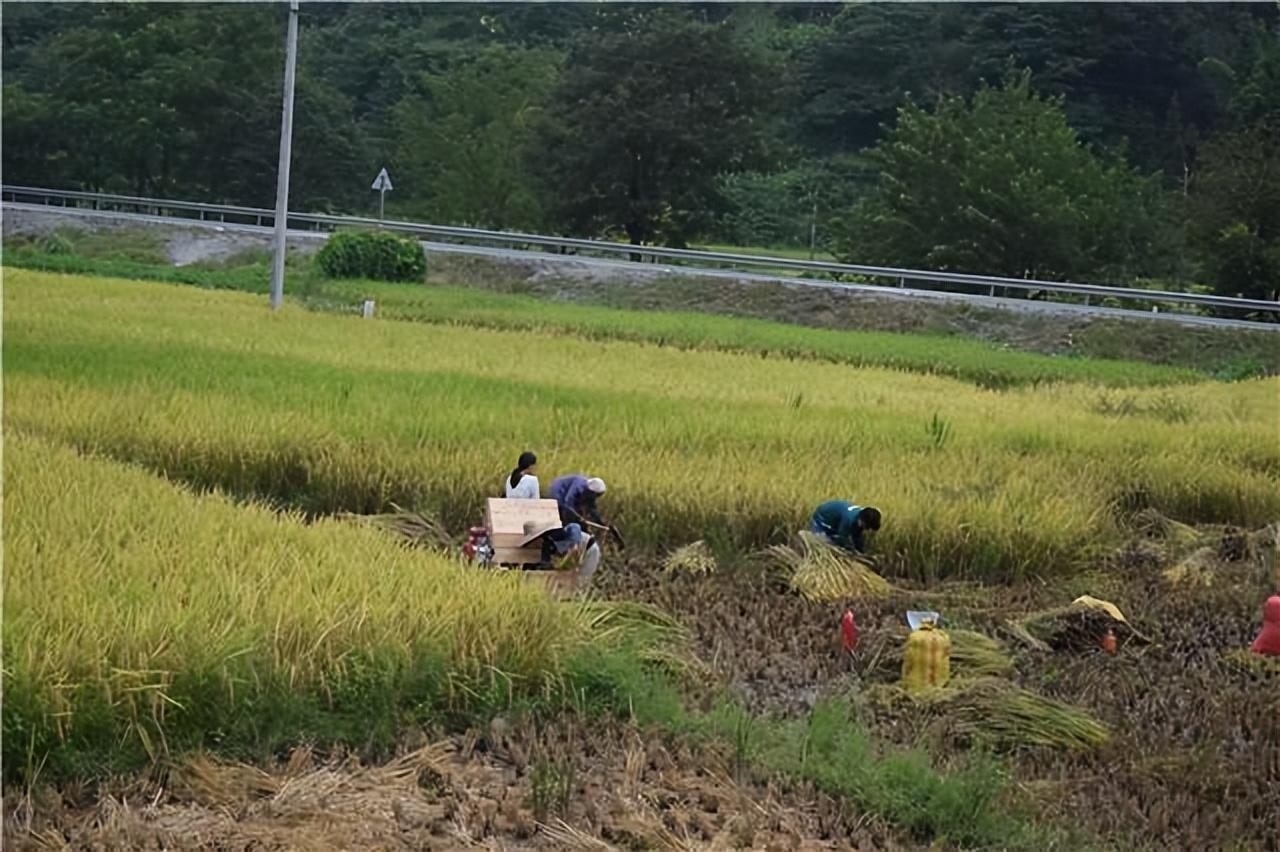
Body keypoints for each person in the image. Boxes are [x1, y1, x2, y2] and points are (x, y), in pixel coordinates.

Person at [810, 500, 881, 553]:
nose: (866, 529)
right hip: (822, 520)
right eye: (866, 527)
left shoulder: (863, 516)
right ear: (861, 520)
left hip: (835, 523)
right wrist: (851, 550)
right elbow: (842, 537)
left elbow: (857, 536)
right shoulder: (848, 519)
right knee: (825, 548)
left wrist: (860, 551)